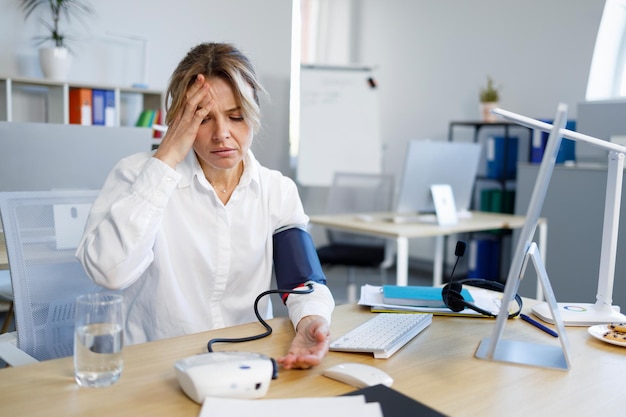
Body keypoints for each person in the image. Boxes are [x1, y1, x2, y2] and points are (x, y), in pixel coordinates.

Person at [75, 42, 335, 369]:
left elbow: (303, 282)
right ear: (179, 120)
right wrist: (167, 155)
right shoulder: (135, 175)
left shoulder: (276, 190)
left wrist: (311, 319)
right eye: (203, 118)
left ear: (253, 115)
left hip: (244, 364)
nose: (222, 134)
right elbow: (110, 272)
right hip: (154, 369)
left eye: (236, 116)